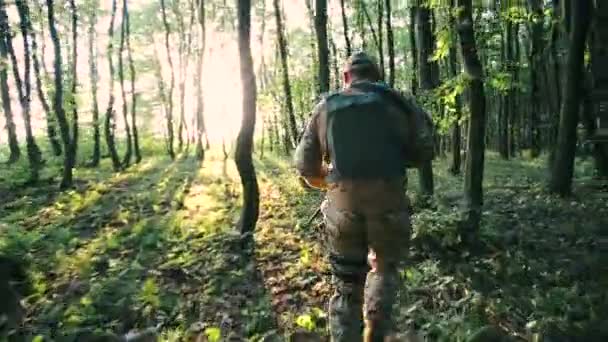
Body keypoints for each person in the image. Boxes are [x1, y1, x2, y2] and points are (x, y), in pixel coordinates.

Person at [294, 52, 434, 342]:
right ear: (377, 75)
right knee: (384, 270)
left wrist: (333, 184)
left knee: (347, 284)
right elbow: (424, 152)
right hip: (389, 203)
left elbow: (305, 167)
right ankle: (375, 333)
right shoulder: (399, 103)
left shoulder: (327, 106)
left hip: (342, 207)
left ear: (346, 78)